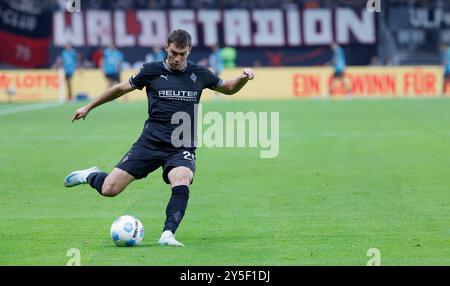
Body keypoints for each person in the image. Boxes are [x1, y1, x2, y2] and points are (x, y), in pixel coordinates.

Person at [63, 29, 255, 247]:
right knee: (110, 189)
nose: (177, 58)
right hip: (150, 142)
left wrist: (242, 78)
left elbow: (228, 88)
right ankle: (90, 175)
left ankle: (167, 234)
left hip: (181, 144)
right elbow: (119, 89)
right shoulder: (151, 71)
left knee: (182, 179)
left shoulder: (200, 74)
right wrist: (89, 106)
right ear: (167, 47)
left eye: (182, 54)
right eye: (173, 52)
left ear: (189, 50)